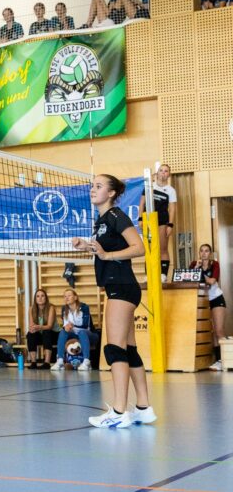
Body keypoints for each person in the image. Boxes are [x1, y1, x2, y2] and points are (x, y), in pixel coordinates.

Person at [73, 174, 154, 428]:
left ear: (110, 193)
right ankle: (143, 408)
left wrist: (107, 255)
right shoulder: (102, 220)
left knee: (114, 349)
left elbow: (138, 247)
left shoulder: (117, 215)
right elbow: (104, 250)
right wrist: (86, 246)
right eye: (92, 186)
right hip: (120, 287)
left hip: (122, 286)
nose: (92, 190)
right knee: (128, 349)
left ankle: (119, 412)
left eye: (98, 186)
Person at [140, 163, 177, 283]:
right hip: (149, 220)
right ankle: (149, 274)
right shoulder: (150, 186)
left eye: (166, 171)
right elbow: (142, 203)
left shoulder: (171, 190)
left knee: (163, 248)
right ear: (157, 173)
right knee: (149, 248)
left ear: (169, 174)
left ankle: (163, 274)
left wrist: (170, 224)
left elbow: (172, 209)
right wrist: (140, 219)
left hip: (162, 221)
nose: (163, 173)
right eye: (161, 170)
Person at [191, 243, 226, 370]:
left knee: (219, 330)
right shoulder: (194, 264)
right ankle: (218, 360)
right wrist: (196, 268)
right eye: (202, 251)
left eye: (206, 251)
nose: (204, 253)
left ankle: (224, 359)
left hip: (216, 299)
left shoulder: (215, 264)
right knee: (210, 331)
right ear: (199, 253)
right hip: (202, 301)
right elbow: (189, 279)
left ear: (210, 253)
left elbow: (212, 281)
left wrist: (200, 273)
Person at [52, 288, 93, 371]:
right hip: (73, 333)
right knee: (63, 332)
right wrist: (66, 328)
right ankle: (60, 360)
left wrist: (72, 326)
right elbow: (65, 325)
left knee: (82, 332)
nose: (66, 298)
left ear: (75, 297)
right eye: (65, 296)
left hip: (87, 333)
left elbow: (85, 325)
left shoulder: (84, 307)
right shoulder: (64, 309)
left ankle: (86, 361)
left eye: (69, 295)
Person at [25, 288, 57, 369]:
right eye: (38, 296)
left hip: (53, 334)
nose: (40, 298)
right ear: (35, 299)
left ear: (46, 298)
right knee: (30, 334)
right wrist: (32, 329)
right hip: (41, 335)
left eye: (42, 296)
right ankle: (33, 362)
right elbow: (32, 325)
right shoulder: (31, 309)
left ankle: (47, 363)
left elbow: (49, 326)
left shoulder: (51, 308)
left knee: (46, 331)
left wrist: (39, 327)